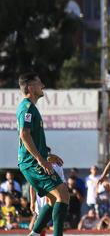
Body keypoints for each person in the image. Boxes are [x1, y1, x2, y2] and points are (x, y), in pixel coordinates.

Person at [16, 72, 69, 236]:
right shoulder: (27, 108)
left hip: (33, 162)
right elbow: (24, 134)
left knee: (53, 200)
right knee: (63, 195)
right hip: (32, 163)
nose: (43, 85)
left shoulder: (31, 108)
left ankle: (34, 234)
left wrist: (47, 156)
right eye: (39, 83)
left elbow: (33, 138)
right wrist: (41, 160)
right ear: (30, 87)